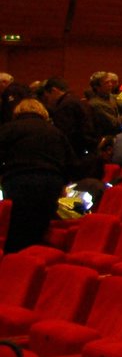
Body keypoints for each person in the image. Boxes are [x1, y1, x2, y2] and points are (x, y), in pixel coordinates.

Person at [0, 97, 77, 251]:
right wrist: (63, 184)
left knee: (16, 226)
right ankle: (32, 260)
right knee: (39, 227)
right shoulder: (55, 132)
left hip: (18, 181)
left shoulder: (8, 128)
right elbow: (71, 163)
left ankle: (12, 262)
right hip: (51, 182)